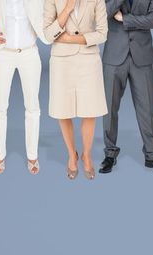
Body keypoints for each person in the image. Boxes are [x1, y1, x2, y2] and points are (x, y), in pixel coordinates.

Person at [98, 0, 153, 174]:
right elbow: (102, 13)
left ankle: (152, 155)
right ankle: (110, 154)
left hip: (141, 56)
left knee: (146, 108)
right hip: (114, 56)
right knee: (109, 109)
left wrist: (125, 19)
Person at [44, 0, 109, 180]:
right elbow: (49, 34)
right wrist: (68, 7)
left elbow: (103, 33)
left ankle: (86, 155)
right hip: (61, 61)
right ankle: (72, 154)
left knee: (90, 110)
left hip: (88, 59)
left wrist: (70, 39)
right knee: (63, 110)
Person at [0, 0, 51, 175]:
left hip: (29, 53)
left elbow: (47, 15)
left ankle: (32, 155)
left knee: (33, 107)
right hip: (3, 54)